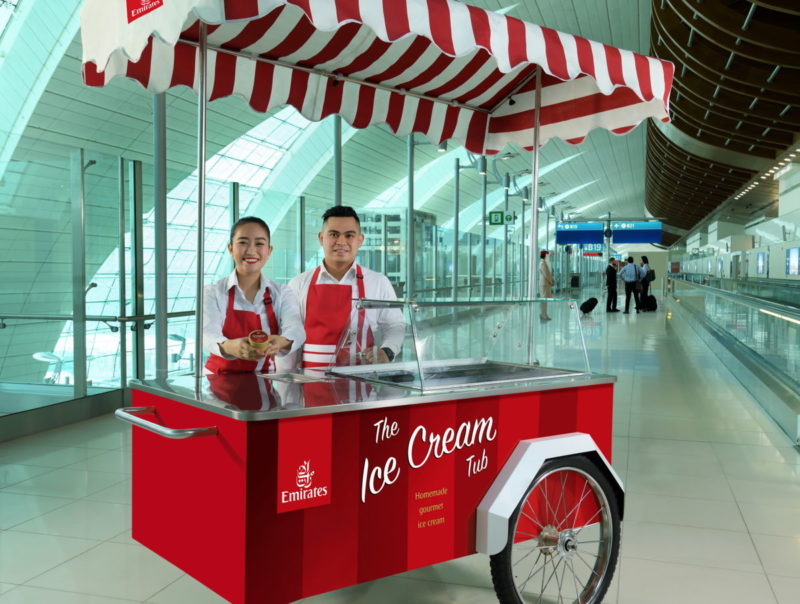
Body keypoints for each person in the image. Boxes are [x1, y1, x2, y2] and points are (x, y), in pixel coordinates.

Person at [289, 206, 405, 369]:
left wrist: (387, 351)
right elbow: (289, 336)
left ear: (360, 240)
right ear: (321, 238)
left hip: (362, 381)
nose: (341, 242)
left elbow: (395, 325)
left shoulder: (378, 282)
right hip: (311, 384)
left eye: (349, 235)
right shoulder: (298, 284)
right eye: (334, 234)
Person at [203, 216, 305, 375]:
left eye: (259, 243)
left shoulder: (282, 293)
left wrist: (281, 342)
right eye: (243, 242)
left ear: (269, 250)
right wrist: (231, 347)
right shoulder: (212, 292)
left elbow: (297, 330)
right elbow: (207, 334)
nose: (251, 251)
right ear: (230, 249)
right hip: (217, 381)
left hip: (265, 382)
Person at [538, 250, 555, 321]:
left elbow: (548, 274)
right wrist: (550, 281)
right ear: (545, 255)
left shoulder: (545, 263)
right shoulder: (542, 263)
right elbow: (545, 274)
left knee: (545, 300)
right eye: (547, 255)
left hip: (546, 284)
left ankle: (545, 314)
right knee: (543, 300)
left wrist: (552, 280)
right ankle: (543, 314)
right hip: (544, 284)